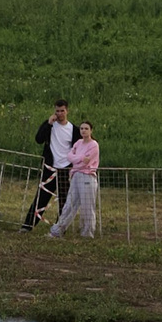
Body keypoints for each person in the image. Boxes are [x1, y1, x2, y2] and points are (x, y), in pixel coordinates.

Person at [21, 100, 76, 230]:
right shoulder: (49, 126)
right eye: (57, 111)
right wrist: (48, 124)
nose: (59, 113)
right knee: (41, 197)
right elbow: (39, 139)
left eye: (62, 110)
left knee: (65, 200)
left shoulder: (74, 129)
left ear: (67, 111)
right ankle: (27, 225)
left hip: (66, 169)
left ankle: (61, 228)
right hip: (50, 167)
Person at [49, 123, 102, 238]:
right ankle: (58, 230)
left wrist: (78, 159)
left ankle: (87, 233)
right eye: (82, 128)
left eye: (86, 129)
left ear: (91, 130)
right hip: (75, 175)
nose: (83, 131)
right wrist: (81, 157)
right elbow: (70, 156)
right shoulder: (78, 143)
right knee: (70, 203)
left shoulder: (94, 145)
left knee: (87, 206)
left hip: (87, 175)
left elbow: (86, 162)